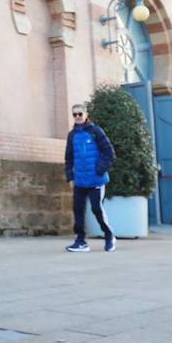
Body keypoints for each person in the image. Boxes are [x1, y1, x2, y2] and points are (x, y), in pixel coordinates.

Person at [64, 104, 116, 253]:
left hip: (96, 180)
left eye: (80, 114)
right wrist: (70, 177)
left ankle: (109, 235)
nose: (77, 117)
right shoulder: (72, 135)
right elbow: (68, 158)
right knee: (78, 210)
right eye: (74, 114)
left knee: (96, 209)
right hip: (80, 180)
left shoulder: (96, 131)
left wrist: (99, 170)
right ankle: (80, 241)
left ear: (86, 114)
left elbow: (109, 153)